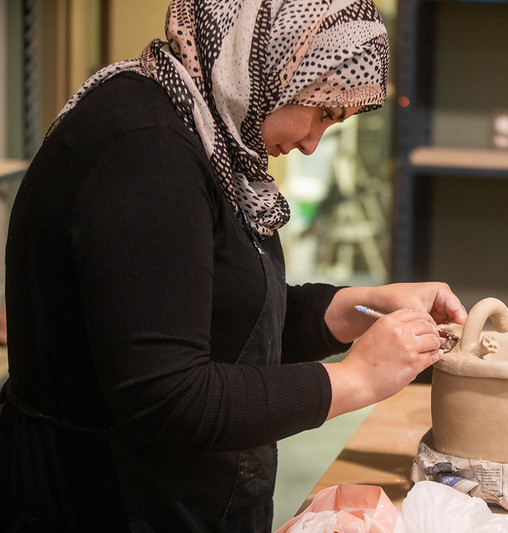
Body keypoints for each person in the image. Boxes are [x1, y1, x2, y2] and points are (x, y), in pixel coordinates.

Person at [0, 1, 467, 531]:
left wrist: (357, 307)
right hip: (106, 503)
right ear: (275, 64)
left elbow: (223, 318)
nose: (314, 142)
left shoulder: (201, 128)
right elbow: (168, 398)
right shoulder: (145, 153)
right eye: (321, 112)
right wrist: (357, 378)